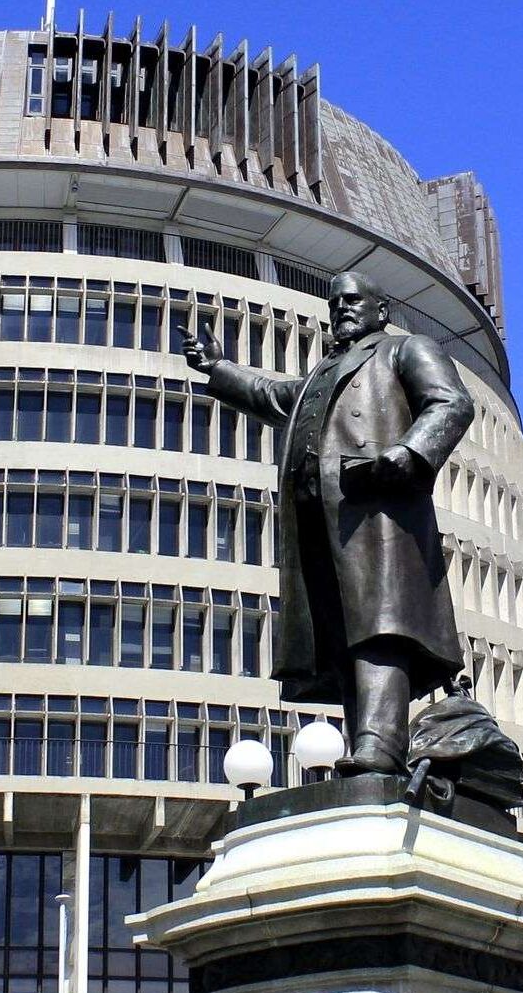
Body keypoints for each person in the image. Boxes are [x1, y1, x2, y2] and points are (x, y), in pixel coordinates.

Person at [183, 271, 474, 774]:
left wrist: (409, 453)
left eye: (354, 301)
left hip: (378, 515)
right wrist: (218, 368)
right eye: (335, 302)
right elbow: (274, 395)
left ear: (381, 311)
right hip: (323, 525)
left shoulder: (405, 350)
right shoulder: (325, 372)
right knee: (343, 636)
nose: (342, 309)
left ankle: (379, 749)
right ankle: (372, 745)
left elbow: (451, 402)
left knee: (381, 628)